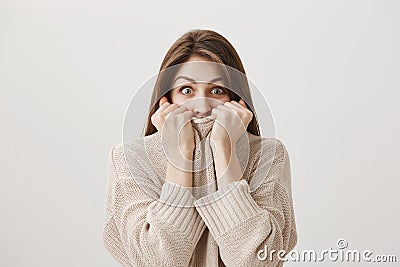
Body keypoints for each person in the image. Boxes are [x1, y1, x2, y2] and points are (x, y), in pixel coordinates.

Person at [102, 29, 298, 267]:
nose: (202, 106)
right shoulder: (130, 159)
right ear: (167, 99)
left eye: (217, 91)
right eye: (187, 91)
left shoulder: (268, 156)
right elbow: (158, 262)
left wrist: (223, 148)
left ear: (236, 98)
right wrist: (182, 156)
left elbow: (256, 262)